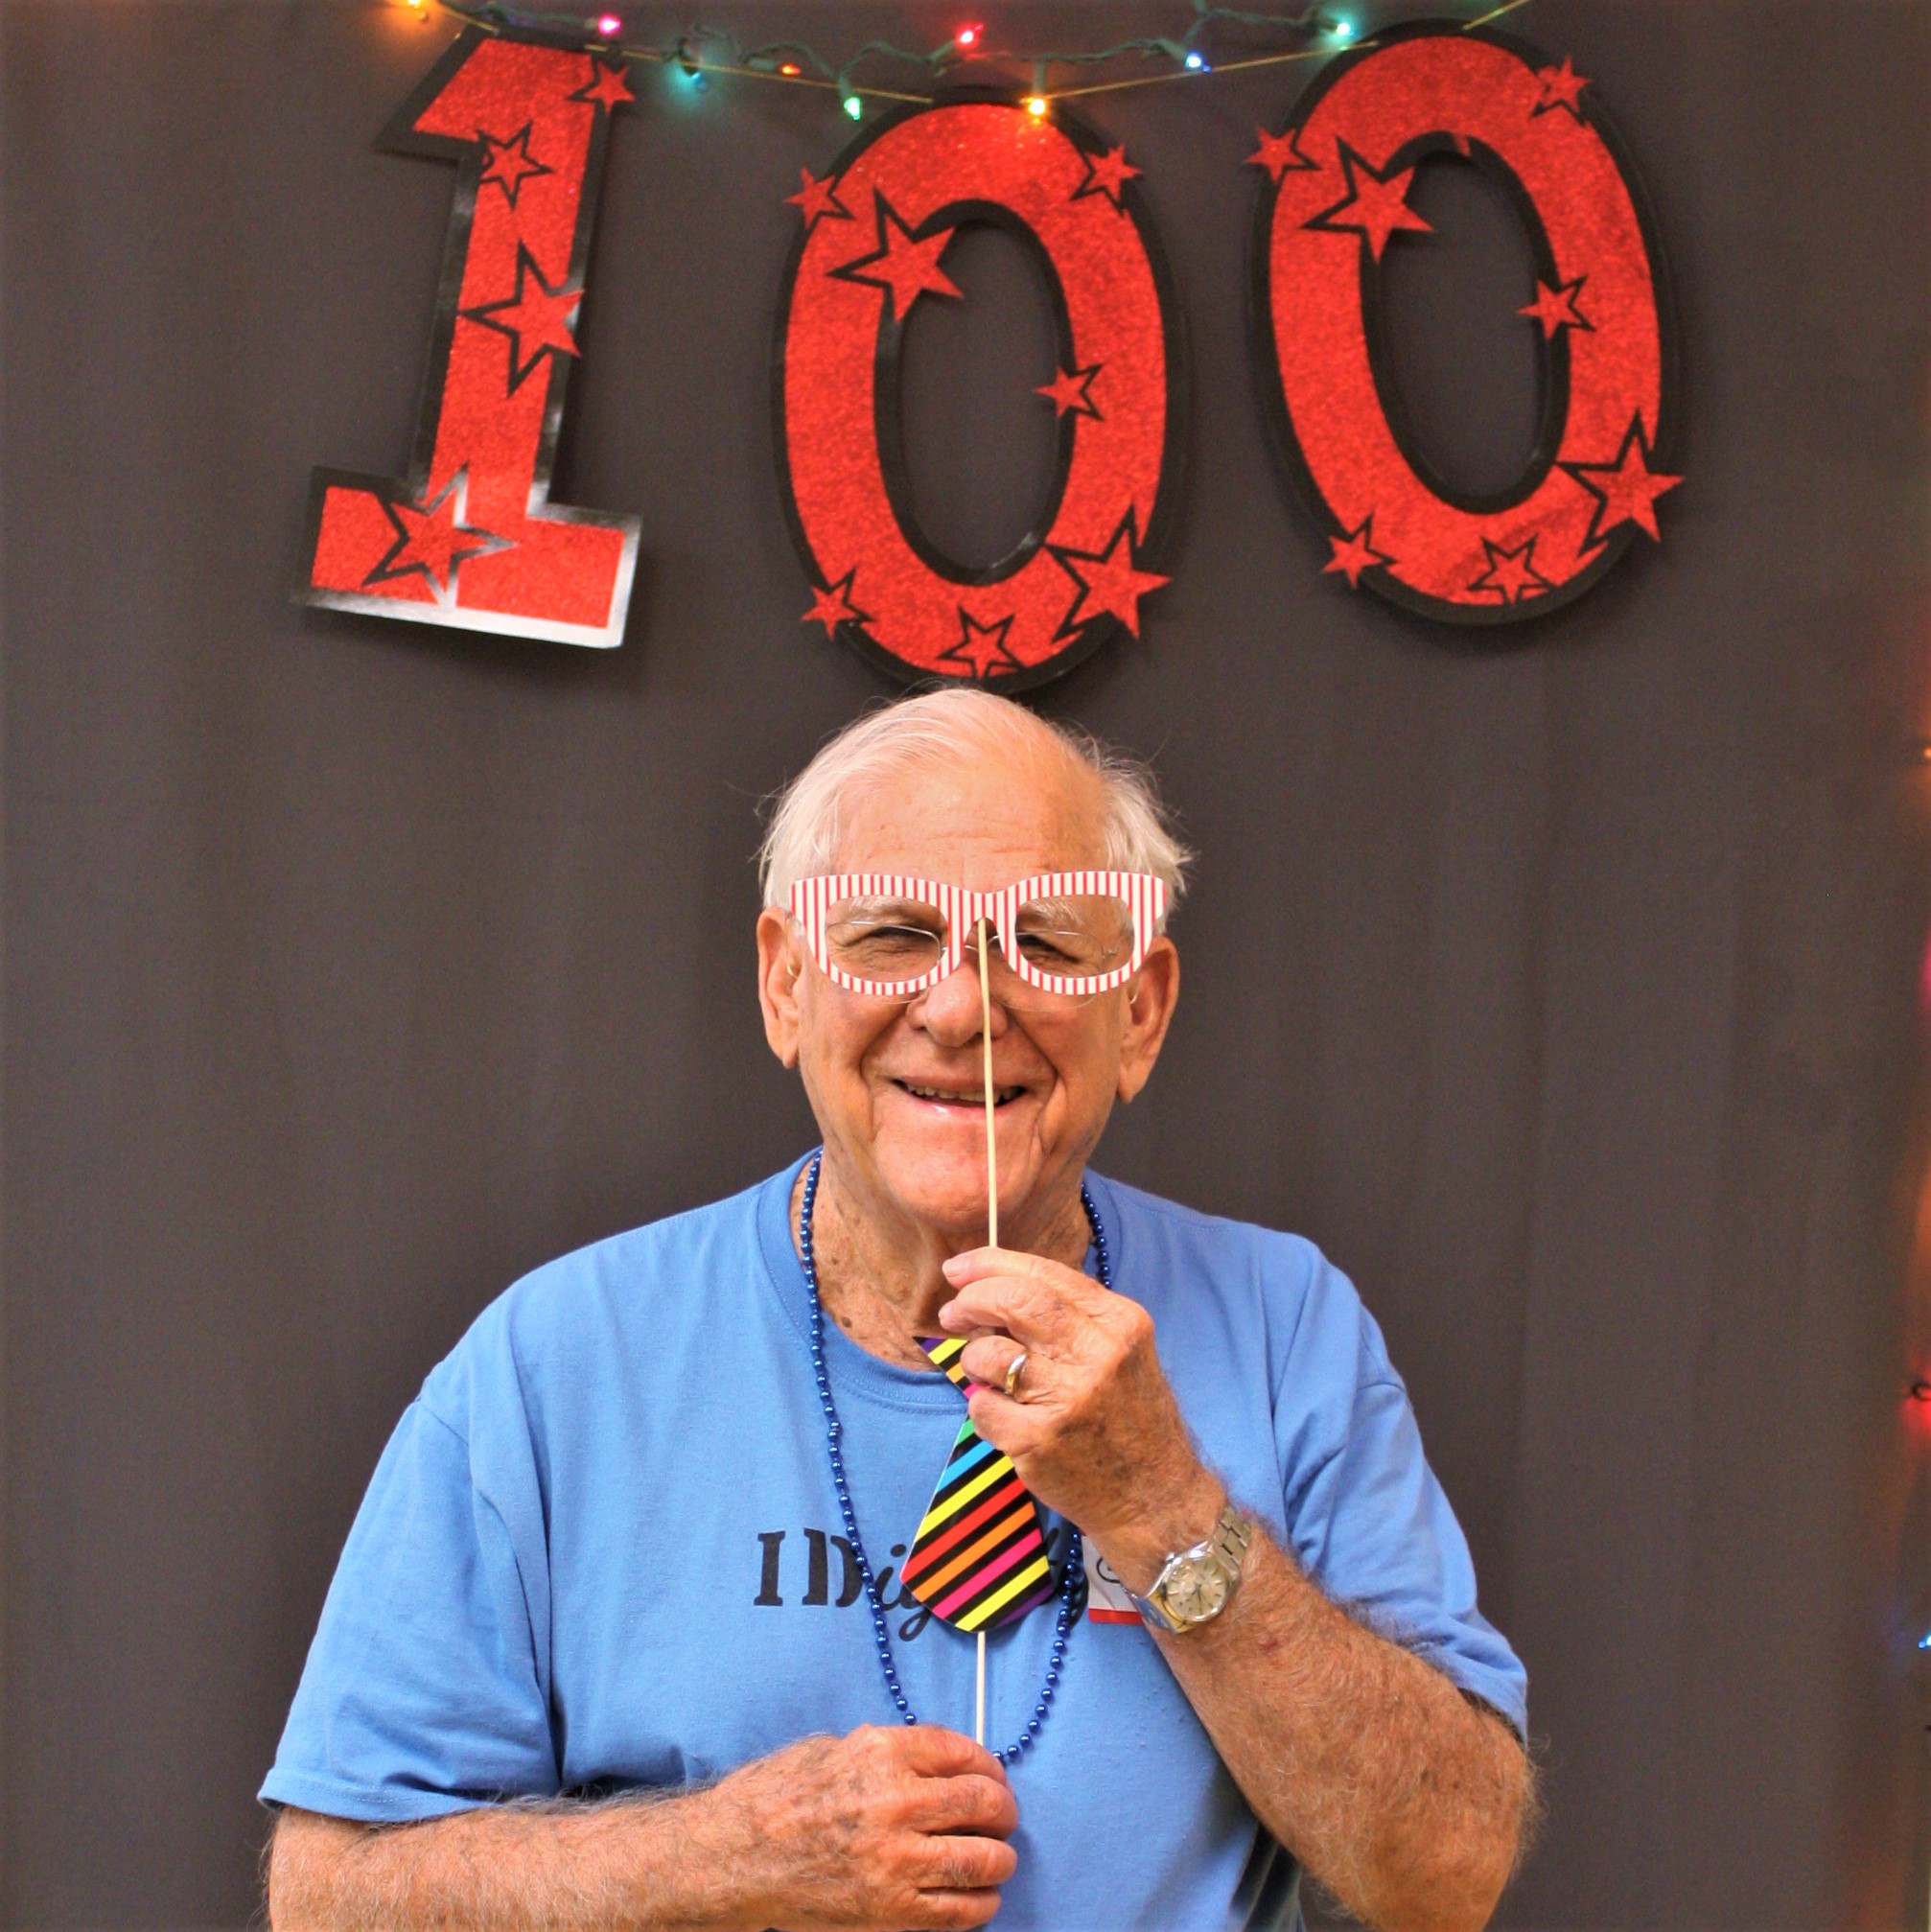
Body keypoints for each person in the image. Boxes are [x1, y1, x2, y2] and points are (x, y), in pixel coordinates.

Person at [263, 687, 1533, 1932]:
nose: (965, 1008)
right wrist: (718, 1857)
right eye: (891, 935)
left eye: (1045, 941)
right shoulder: (557, 1360)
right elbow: (329, 1900)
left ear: (1139, 1013)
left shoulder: (1285, 1327)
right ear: (785, 987)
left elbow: (1448, 1878)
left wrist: (1162, 1506)